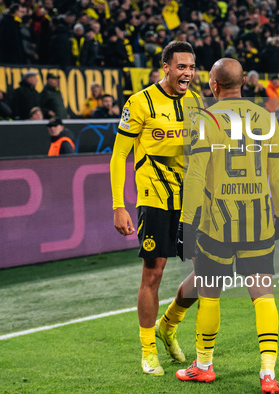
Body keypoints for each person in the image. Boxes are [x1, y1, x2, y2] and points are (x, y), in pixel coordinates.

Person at [175, 58, 279, 394]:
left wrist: (186, 223)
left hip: (217, 222)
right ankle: (268, 374)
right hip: (258, 221)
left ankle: (204, 366)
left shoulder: (205, 120)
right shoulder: (266, 118)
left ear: (213, 84)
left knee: (210, 294)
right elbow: (277, 175)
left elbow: (195, 176)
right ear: (243, 83)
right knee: (263, 295)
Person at [110, 41, 200, 376]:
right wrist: (119, 205)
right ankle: (148, 350)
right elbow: (119, 155)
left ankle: (169, 324)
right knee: (154, 272)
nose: (187, 73)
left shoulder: (194, 101)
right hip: (154, 196)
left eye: (191, 67)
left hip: (190, 196)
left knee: (209, 271)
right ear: (166, 67)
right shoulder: (140, 102)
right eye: (181, 67)